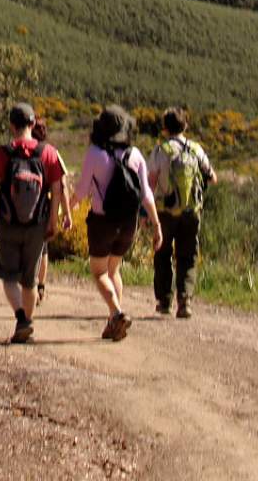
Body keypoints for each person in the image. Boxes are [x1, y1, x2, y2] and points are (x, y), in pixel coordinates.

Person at [72, 105, 161, 341]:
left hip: (102, 221)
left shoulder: (94, 153)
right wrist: (156, 224)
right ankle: (115, 322)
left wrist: (67, 209)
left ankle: (117, 313)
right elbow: (146, 195)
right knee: (114, 270)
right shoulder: (135, 155)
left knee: (99, 272)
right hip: (128, 222)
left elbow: (81, 190)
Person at [0, 103, 66, 343]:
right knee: (29, 281)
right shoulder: (48, 152)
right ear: (32, 124)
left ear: (11, 125)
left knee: (10, 278)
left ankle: (22, 318)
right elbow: (57, 190)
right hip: (36, 226)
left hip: (7, 224)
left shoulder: (3, 153)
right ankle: (27, 324)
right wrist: (53, 221)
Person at [148, 107, 218, 319]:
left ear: (165, 127)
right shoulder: (195, 149)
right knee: (187, 256)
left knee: (162, 253)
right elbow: (213, 177)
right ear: (185, 126)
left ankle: (164, 301)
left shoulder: (161, 150)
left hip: (165, 211)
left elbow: (150, 182)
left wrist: (145, 213)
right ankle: (185, 300)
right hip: (191, 211)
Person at [30, 119, 72, 308]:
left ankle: (27, 285)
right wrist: (67, 213)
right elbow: (62, 185)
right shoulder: (51, 153)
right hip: (43, 207)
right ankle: (40, 286)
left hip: (22, 207)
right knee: (43, 248)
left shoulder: (21, 149)